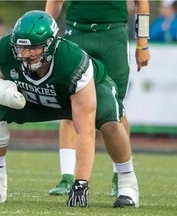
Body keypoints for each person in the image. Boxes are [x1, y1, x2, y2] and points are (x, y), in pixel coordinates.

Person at [0, 10, 139, 208]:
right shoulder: (7, 50)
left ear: (50, 45)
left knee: (111, 124)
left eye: (33, 48)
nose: (24, 54)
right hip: (36, 96)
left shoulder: (71, 62)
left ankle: (127, 183)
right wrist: (3, 91)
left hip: (84, 93)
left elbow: (85, 131)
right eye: (20, 47)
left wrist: (81, 183)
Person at [45, 0, 150, 198]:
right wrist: (47, 37)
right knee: (70, 106)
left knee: (116, 109)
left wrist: (142, 42)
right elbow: (55, 1)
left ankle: (121, 177)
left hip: (112, 36)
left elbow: (141, 3)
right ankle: (67, 176)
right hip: (76, 33)